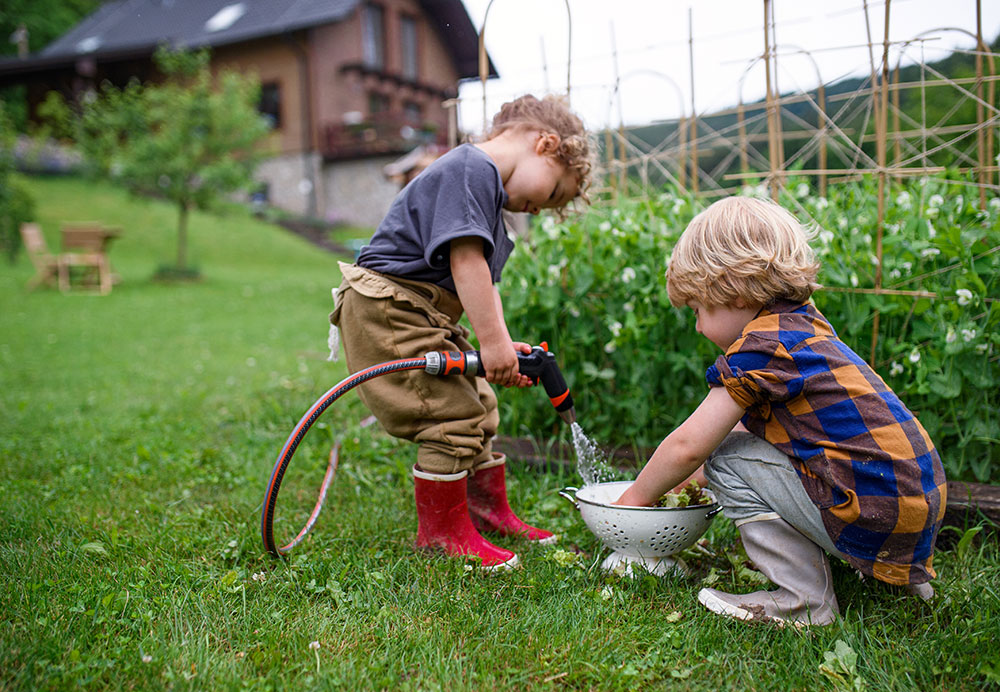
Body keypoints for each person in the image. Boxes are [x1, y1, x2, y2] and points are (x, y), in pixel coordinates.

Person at [615, 196, 946, 626]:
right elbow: (742, 435)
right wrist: (675, 492)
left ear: (729, 289)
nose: (697, 327)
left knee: (725, 457)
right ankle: (902, 580)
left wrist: (634, 502)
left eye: (697, 310)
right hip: (913, 509)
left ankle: (803, 600)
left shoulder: (761, 347)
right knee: (737, 446)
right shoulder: (806, 328)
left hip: (872, 513)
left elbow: (689, 447)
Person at [330, 94, 593, 570]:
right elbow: (466, 260)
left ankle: (484, 509)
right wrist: (489, 344)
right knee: (448, 412)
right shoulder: (472, 168)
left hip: (422, 312)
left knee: (479, 405)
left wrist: (500, 343)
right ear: (546, 144)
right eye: (555, 192)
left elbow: (482, 286)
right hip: (388, 306)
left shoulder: (484, 192)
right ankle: (441, 534)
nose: (540, 209)